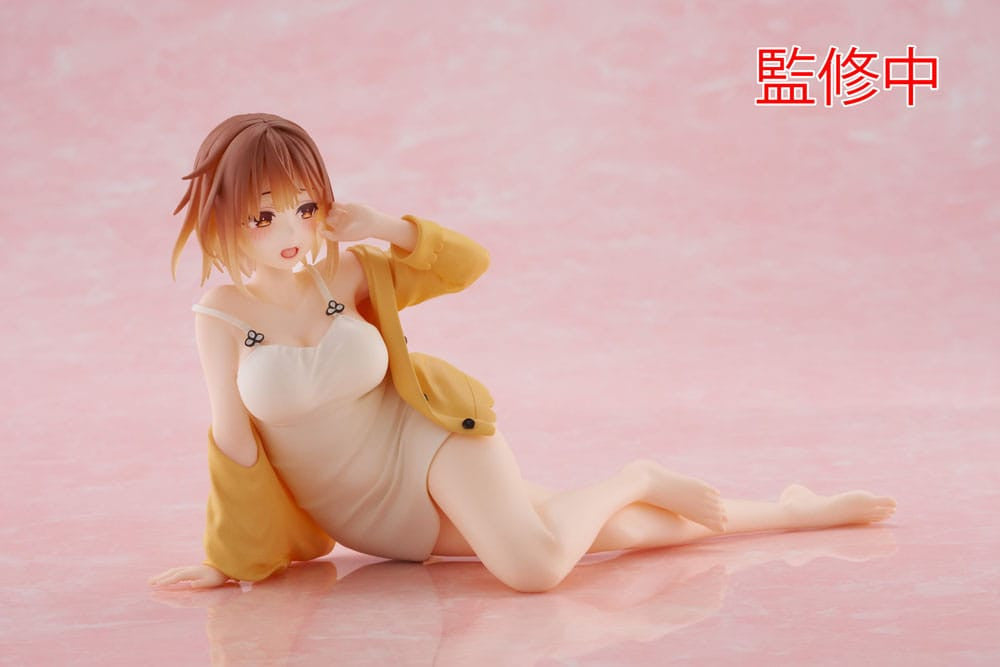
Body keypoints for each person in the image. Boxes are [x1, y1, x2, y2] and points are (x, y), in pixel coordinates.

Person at [149, 113, 897, 593]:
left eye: (306, 207)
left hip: (429, 443)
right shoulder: (221, 316)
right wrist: (229, 558)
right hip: (369, 517)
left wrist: (388, 227)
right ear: (224, 215)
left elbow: (468, 265)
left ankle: (636, 474)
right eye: (264, 216)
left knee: (535, 566)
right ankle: (791, 510)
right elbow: (233, 440)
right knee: (605, 534)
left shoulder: (347, 270)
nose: (292, 230)